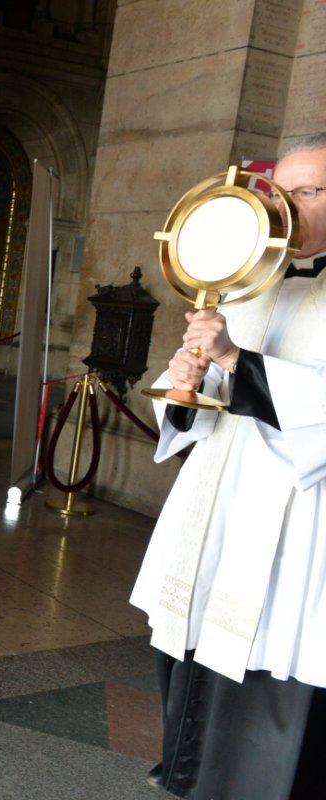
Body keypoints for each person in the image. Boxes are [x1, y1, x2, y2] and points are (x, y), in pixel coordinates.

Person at [130, 134, 326, 799]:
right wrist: (190, 380)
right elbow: (202, 398)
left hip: (293, 514)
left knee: (265, 653)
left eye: (305, 192)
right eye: (281, 190)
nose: (286, 207)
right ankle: (189, 769)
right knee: (189, 627)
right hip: (217, 502)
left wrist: (237, 363)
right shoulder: (249, 280)